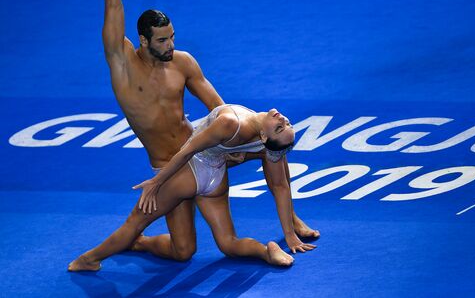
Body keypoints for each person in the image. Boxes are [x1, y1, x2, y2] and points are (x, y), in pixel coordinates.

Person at [72, 0, 318, 265]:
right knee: (183, 251)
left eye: (172, 36)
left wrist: (230, 141)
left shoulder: (183, 62)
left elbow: (220, 108)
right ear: (143, 41)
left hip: (203, 150)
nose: (171, 44)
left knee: (272, 146)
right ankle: (137, 244)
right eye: (162, 40)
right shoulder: (121, 62)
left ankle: (290, 219)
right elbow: (113, 3)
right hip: (167, 167)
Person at [68, 104, 305, 270]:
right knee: (229, 243)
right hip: (216, 178)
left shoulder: (230, 122)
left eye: (281, 128)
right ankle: (265, 251)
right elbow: (280, 185)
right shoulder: (266, 143)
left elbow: (188, 150)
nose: (283, 120)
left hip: (190, 172)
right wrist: (289, 235)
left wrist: (156, 181)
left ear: (264, 136)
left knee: (136, 221)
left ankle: (89, 259)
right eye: (286, 124)